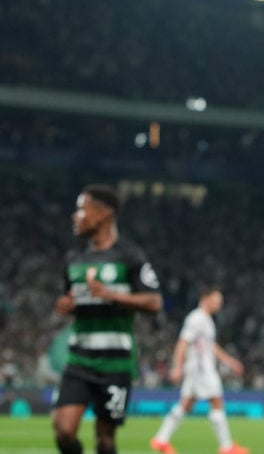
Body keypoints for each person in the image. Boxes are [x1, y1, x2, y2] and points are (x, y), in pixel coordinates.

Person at [52, 184, 163, 454]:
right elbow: (71, 298)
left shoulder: (130, 255)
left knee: (105, 439)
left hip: (116, 362)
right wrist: (67, 305)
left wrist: (112, 295)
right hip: (79, 359)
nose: (75, 216)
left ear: (102, 214)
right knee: (64, 432)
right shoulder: (74, 259)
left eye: (81, 209)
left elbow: (154, 301)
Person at [149, 286, 249, 454]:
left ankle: (161, 440)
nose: (219, 304)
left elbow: (211, 347)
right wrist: (176, 367)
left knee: (185, 405)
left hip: (198, 370)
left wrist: (230, 362)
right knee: (217, 402)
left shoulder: (206, 320)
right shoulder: (196, 319)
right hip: (202, 370)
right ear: (205, 299)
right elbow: (182, 342)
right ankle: (227, 447)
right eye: (217, 300)